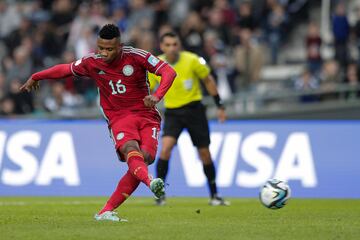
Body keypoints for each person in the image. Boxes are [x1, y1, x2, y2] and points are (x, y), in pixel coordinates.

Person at [20, 24, 177, 222]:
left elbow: (169, 72)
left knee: (145, 158)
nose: (103, 53)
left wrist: (157, 95)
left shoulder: (137, 56)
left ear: (119, 46)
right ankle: (150, 183)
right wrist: (36, 76)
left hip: (147, 116)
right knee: (131, 149)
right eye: (100, 48)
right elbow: (64, 69)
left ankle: (106, 211)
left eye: (109, 49)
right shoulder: (91, 62)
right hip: (119, 117)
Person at [148, 32, 229, 206]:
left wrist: (220, 105)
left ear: (179, 45)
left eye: (174, 44)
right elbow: (147, 90)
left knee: (204, 153)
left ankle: (215, 195)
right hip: (173, 113)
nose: (171, 48)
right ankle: (159, 194)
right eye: (167, 45)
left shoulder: (192, 60)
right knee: (165, 149)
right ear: (162, 47)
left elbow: (208, 80)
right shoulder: (156, 65)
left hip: (194, 110)